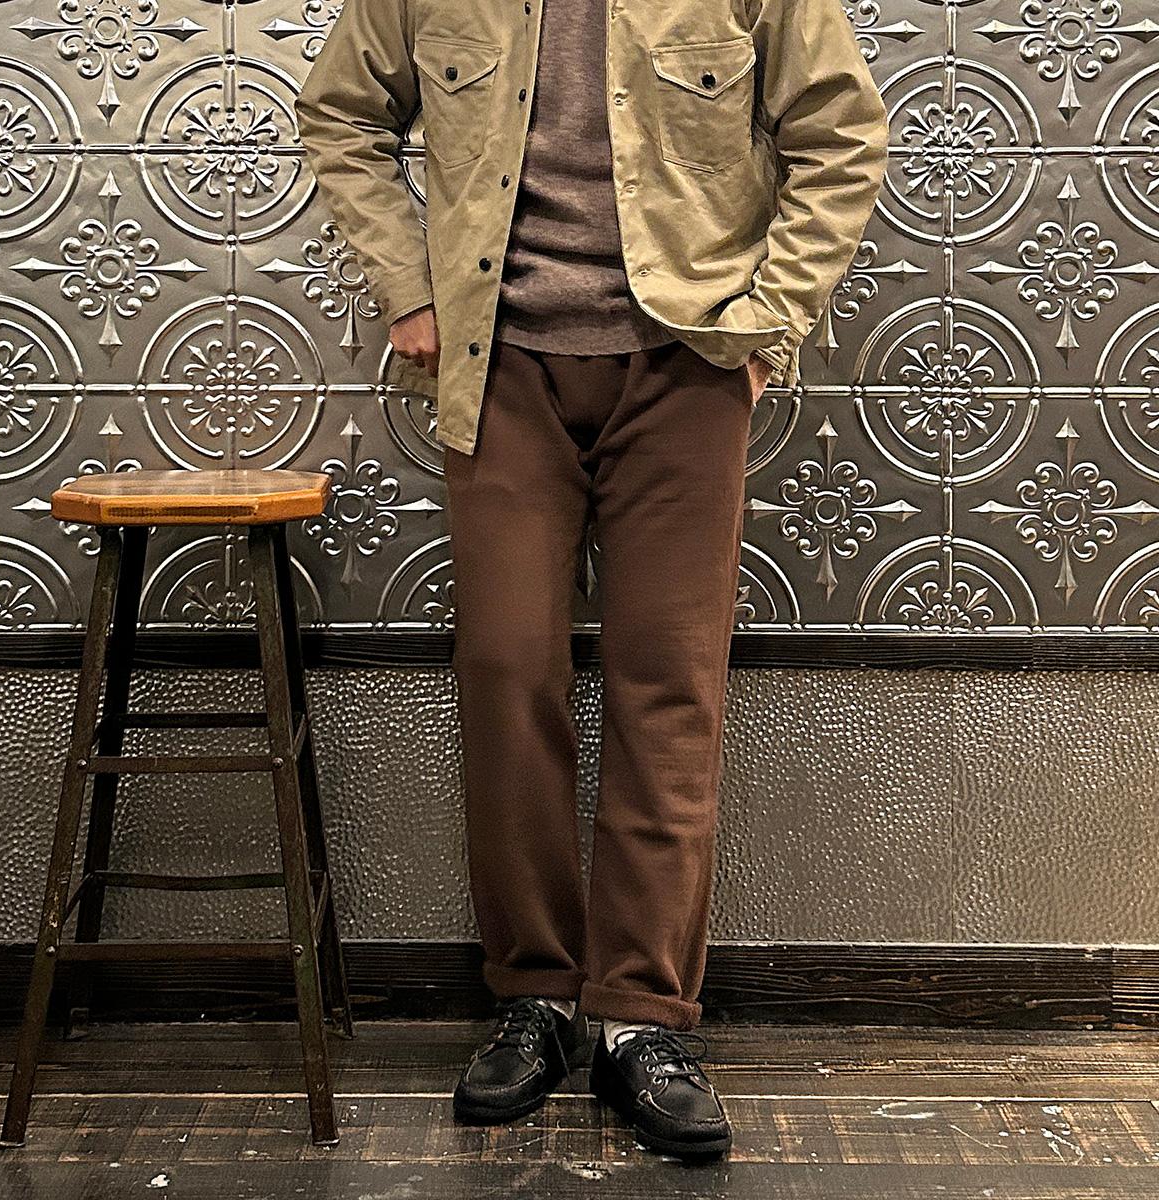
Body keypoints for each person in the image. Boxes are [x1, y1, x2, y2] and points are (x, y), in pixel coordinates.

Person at [295, 0, 888, 1160]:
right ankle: (535, 997)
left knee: (668, 684)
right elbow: (340, 113)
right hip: (499, 367)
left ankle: (639, 1016)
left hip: (686, 365)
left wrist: (769, 319)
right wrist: (407, 287)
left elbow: (843, 131)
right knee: (508, 672)